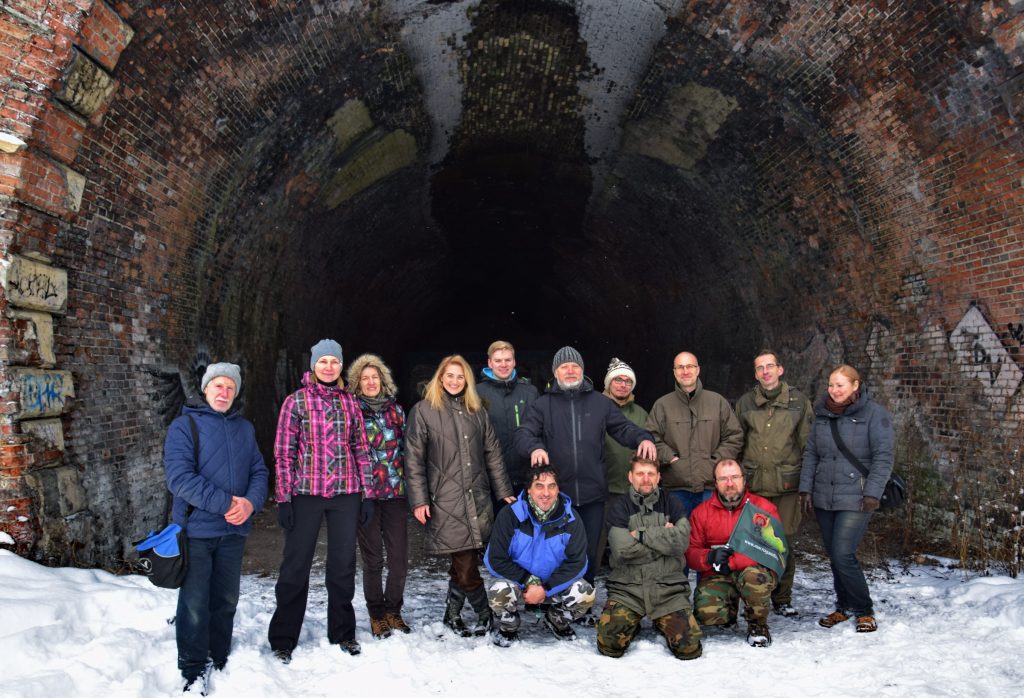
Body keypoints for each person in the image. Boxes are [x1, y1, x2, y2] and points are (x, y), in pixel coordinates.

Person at [514, 346, 656, 600]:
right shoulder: (542, 405)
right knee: (557, 551)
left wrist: (643, 438)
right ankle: (554, 600)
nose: (570, 371)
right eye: (564, 367)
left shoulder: (600, 403)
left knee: (590, 552)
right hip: (557, 496)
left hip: (592, 494)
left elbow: (624, 428)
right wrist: (534, 446)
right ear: (556, 372)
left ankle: (583, 601)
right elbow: (523, 434)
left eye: (575, 366)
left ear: (582, 370)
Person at [164, 362, 268, 691]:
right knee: (195, 601)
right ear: (205, 388)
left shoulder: (244, 429)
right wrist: (227, 505)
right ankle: (192, 666)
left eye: (230, 388)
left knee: (226, 599)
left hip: (233, 533)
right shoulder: (184, 427)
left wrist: (250, 504)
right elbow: (179, 479)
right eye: (217, 386)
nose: (223, 392)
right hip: (195, 531)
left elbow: (259, 472)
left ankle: (220, 654)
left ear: (235, 393)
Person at [268, 339, 373, 662]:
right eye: (323, 361)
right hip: (305, 493)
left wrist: (366, 494)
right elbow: (284, 453)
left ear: (342, 367)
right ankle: (284, 636)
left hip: (346, 492)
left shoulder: (351, 404)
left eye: (335, 362)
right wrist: (284, 498)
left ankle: (342, 631)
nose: (329, 367)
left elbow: (361, 449)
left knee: (342, 565)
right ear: (314, 366)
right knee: (295, 566)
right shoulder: (295, 402)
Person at [405, 354, 515, 637]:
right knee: (466, 566)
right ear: (440, 378)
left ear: (467, 380)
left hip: (477, 498)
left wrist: (504, 492)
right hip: (445, 501)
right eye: (449, 375)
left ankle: (451, 615)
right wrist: (419, 500)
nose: (455, 381)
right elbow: (414, 459)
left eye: (460, 376)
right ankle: (485, 613)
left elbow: (493, 455)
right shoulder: (424, 411)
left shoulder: (477, 412)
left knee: (462, 562)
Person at [799, 364, 894, 633]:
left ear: (855, 385)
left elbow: (883, 457)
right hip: (825, 496)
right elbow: (812, 454)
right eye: (831, 385)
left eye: (840, 385)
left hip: (857, 497)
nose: (834, 390)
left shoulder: (875, 415)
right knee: (833, 554)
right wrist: (806, 488)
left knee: (843, 553)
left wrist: (873, 492)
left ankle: (864, 610)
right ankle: (844, 606)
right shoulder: (822, 415)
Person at [596, 456, 702, 660]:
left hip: (667, 590)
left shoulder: (672, 503)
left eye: (651, 474)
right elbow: (623, 550)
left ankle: (662, 621)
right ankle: (631, 625)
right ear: (630, 477)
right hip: (628, 589)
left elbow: (682, 541)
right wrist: (664, 541)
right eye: (640, 474)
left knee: (689, 648)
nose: (646, 479)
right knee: (610, 646)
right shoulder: (619, 507)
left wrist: (642, 535)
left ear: (659, 477)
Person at [735, 350, 813, 617]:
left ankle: (783, 596)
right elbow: (737, 441)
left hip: (787, 486)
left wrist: (807, 485)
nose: (765, 371)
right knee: (751, 542)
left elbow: (808, 444)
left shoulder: (798, 402)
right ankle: (755, 595)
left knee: (784, 542)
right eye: (760, 368)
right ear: (755, 374)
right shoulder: (746, 403)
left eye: (770, 366)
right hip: (754, 484)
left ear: (780, 370)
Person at [483, 465, 595, 645]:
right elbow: (495, 559)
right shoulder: (510, 515)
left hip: (553, 585)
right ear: (529, 489)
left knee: (585, 594)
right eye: (539, 486)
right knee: (499, 592)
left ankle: (556, 620)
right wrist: (528, 580)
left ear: (558, 489)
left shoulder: (571, 519)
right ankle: (509, 627)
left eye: (551, 486)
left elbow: (577, 562)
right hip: (520, 583)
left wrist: (545, 589)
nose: (546, 493)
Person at [347, 353, 411, 639]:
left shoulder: (396, 411)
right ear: (357, 383)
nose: (371, 382)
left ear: (383, 380)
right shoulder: (350, 411)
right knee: (373, 559)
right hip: (366, 495)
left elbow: (408, 450)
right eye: (365, 378)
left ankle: (393, 610)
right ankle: (376, 614)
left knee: (398, 558)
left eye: (375, 377)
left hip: (396, 493)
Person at [686, 459, 782, 648]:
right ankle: (727, 613)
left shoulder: (763, 508)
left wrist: (732, 562)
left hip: (754, 571)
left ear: (744, 480)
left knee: (754, 579)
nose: (729, 483)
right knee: (708, 613)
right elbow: (690, 552)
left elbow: (772, 549)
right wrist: (708, 557)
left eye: (734, 477)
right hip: (718, 573)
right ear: (715, 483)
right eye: (723, 478)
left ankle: (758, 626)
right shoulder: (701, 512)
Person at [646, 351, 743, 516]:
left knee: (711, 537)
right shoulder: (662, 405)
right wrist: (670, 458)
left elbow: (734, 436)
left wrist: (715, 462)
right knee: (679, 537)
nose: (685, 371)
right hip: (676, 488)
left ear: (698, 370)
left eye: (689, 366)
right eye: (680, 367)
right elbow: (649, 438)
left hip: (711, 486)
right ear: (674, 372)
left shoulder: (717, 402)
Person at [598, 357, 648, 566]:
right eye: (617, 380)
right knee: (598, 540)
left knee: (630, 542)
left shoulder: (641, 414)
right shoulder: (597, 409)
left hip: (631, 491)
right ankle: (587, 586)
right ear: (608, 383)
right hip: (603, 487)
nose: (622, 384)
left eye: (627, 381)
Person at [476, 340, 538, 501]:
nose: (503, 364)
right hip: (492, 479)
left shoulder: (530, 392)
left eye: (508, 360)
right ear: (490, 363)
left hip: (527, 476)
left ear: (514, 362)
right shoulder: (476, 393)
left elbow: (539, 431)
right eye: (498, 360)